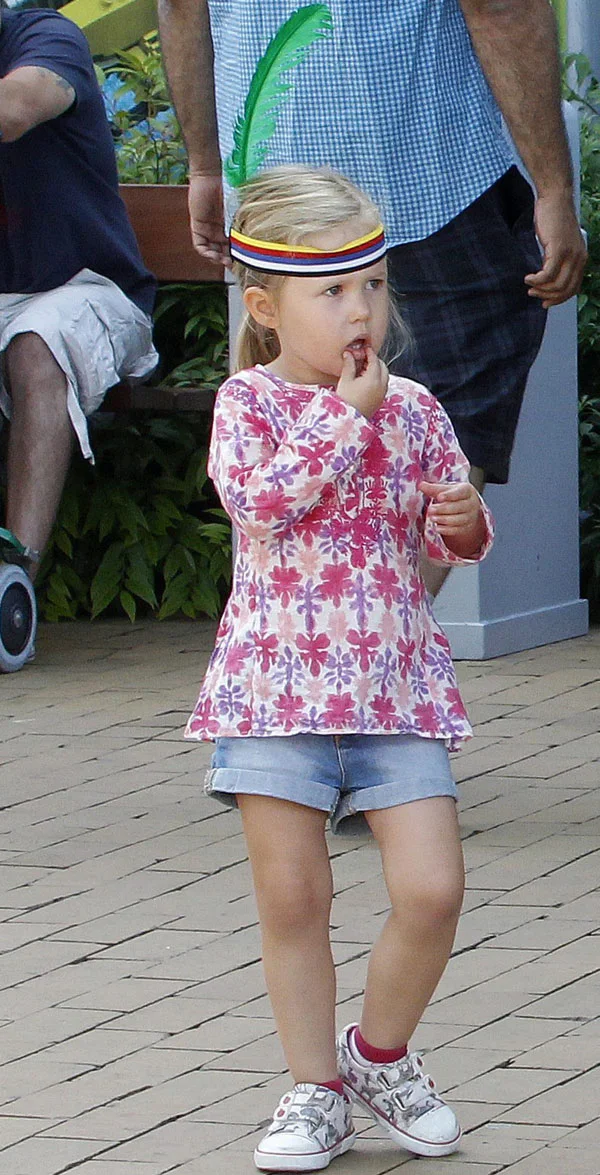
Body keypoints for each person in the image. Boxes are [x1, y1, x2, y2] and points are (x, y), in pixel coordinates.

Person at [185, 165, 494, 1172]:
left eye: (371, 283)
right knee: (293, 899)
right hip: (275, 692)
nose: (360, 308)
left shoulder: (411, 407)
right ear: (267, 310)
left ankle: (380, 1055)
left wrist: (464, 522)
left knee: (433, 887)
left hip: (395, 686)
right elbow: (262, 505)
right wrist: (344, 416)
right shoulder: (250, 403)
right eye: (332, 291)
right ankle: (314, 1089)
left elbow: (448, 532)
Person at [158, 0, 586, 591]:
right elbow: (501, 6)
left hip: (270, 176)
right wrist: (555, 187)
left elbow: (182, 6)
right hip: (427, 170)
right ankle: (377, 622)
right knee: (451, 395)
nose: (359, 308)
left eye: (368, 290)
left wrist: (204, 165)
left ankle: (357, 625)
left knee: (301, 398)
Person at [0, 4, 157, 582]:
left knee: (39, 339)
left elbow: (17, 107)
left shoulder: (46, 36)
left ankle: (16, 583)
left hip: (93, 290)